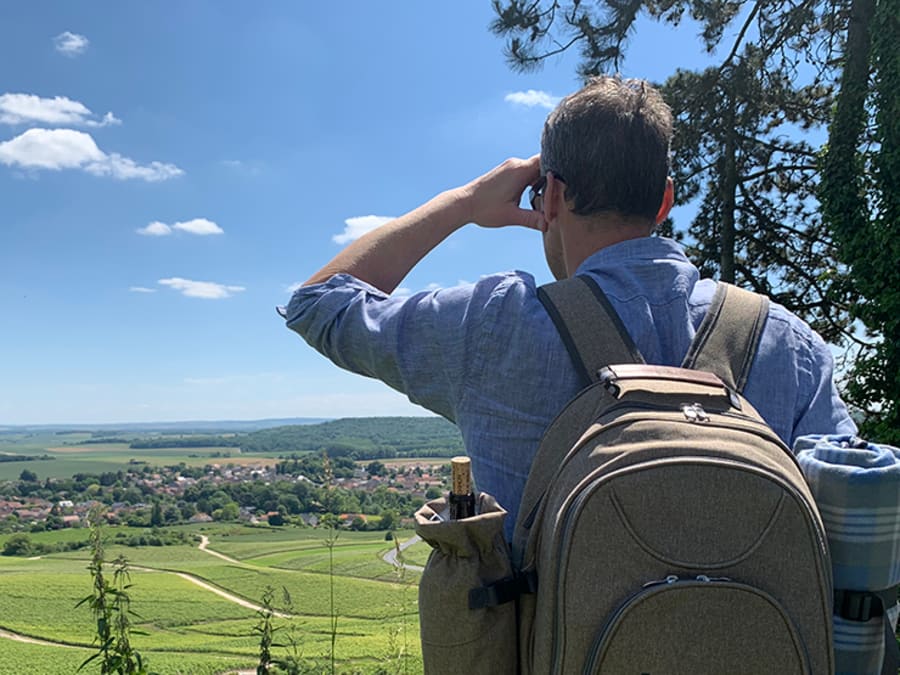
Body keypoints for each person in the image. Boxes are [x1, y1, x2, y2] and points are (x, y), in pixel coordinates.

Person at [278, 75, 856, 538]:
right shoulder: (786, 342)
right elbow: (859, 539)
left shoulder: (492, 325)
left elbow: (318, 304)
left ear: (550, 194)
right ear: (665, 199)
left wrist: (461, 203)